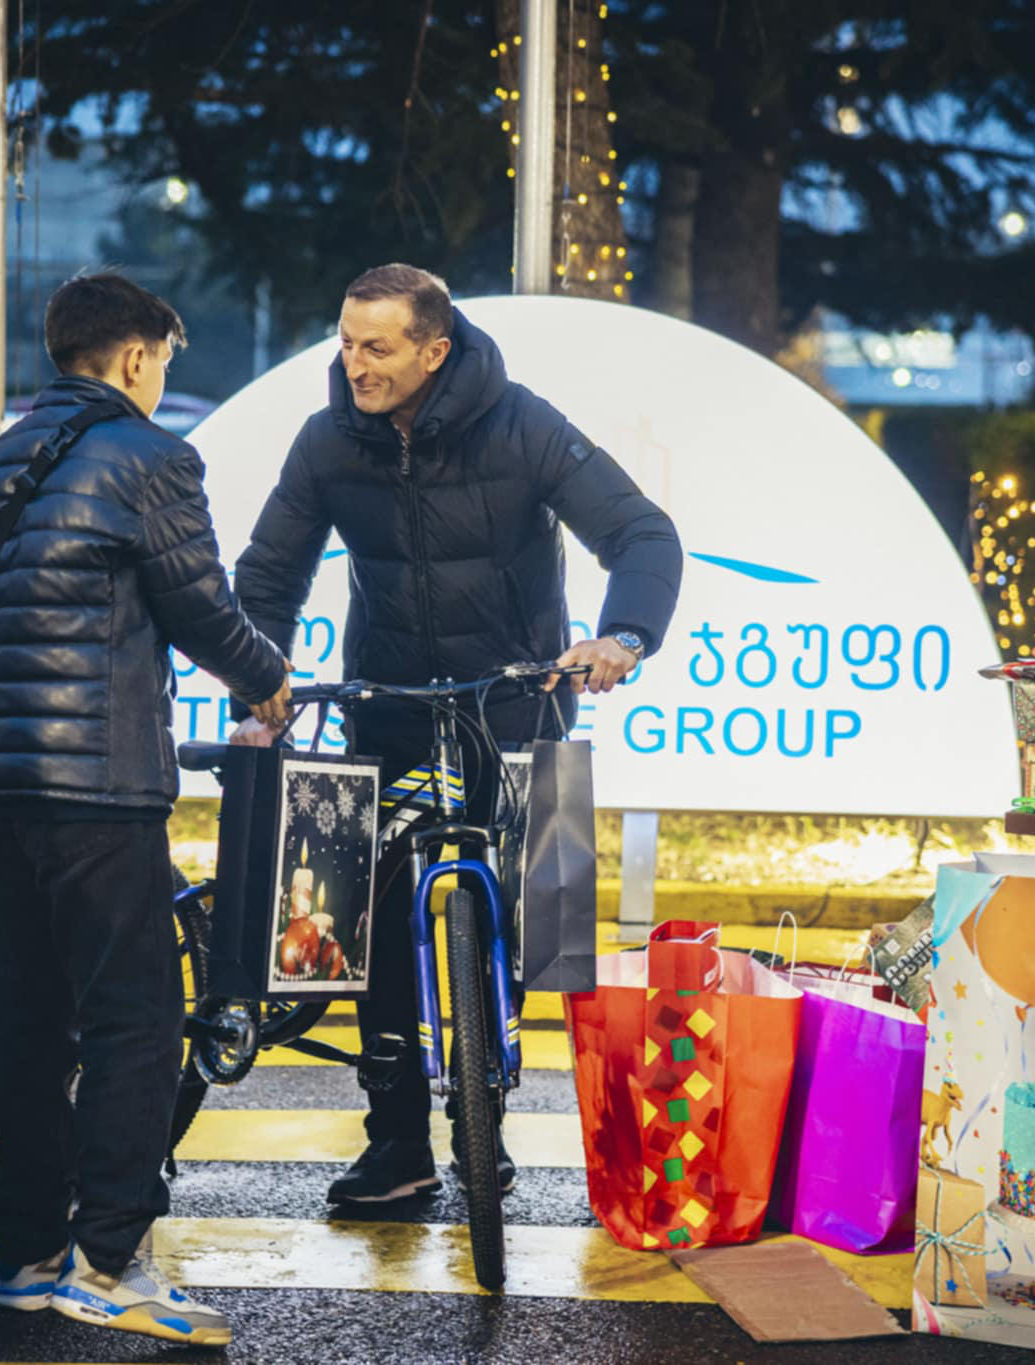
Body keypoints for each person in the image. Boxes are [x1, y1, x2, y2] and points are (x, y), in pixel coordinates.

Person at [230, 263, 682, 1205]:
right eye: (347, 344)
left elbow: (642, 534)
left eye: (378, 347)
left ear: (434, 351)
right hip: (386, 704)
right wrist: (258, 683)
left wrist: (624, 636)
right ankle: (396, 1144)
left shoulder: (523, 425)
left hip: (511, 703)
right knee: (364, 926)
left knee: (514, 919)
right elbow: (270, 573)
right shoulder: (328, 440)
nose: (355, 364)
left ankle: (487, 1123)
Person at [0, 272, 291, 1347]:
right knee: (137, 1019)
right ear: (133, 356)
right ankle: (112, 1260)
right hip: (103, 784)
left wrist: (24, 679)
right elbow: (199, 606)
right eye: (162, 359)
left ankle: (28, 1256)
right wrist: (267, 680)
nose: (162, 378)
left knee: (32, 1021)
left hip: (7, 783)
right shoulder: (149, 458)